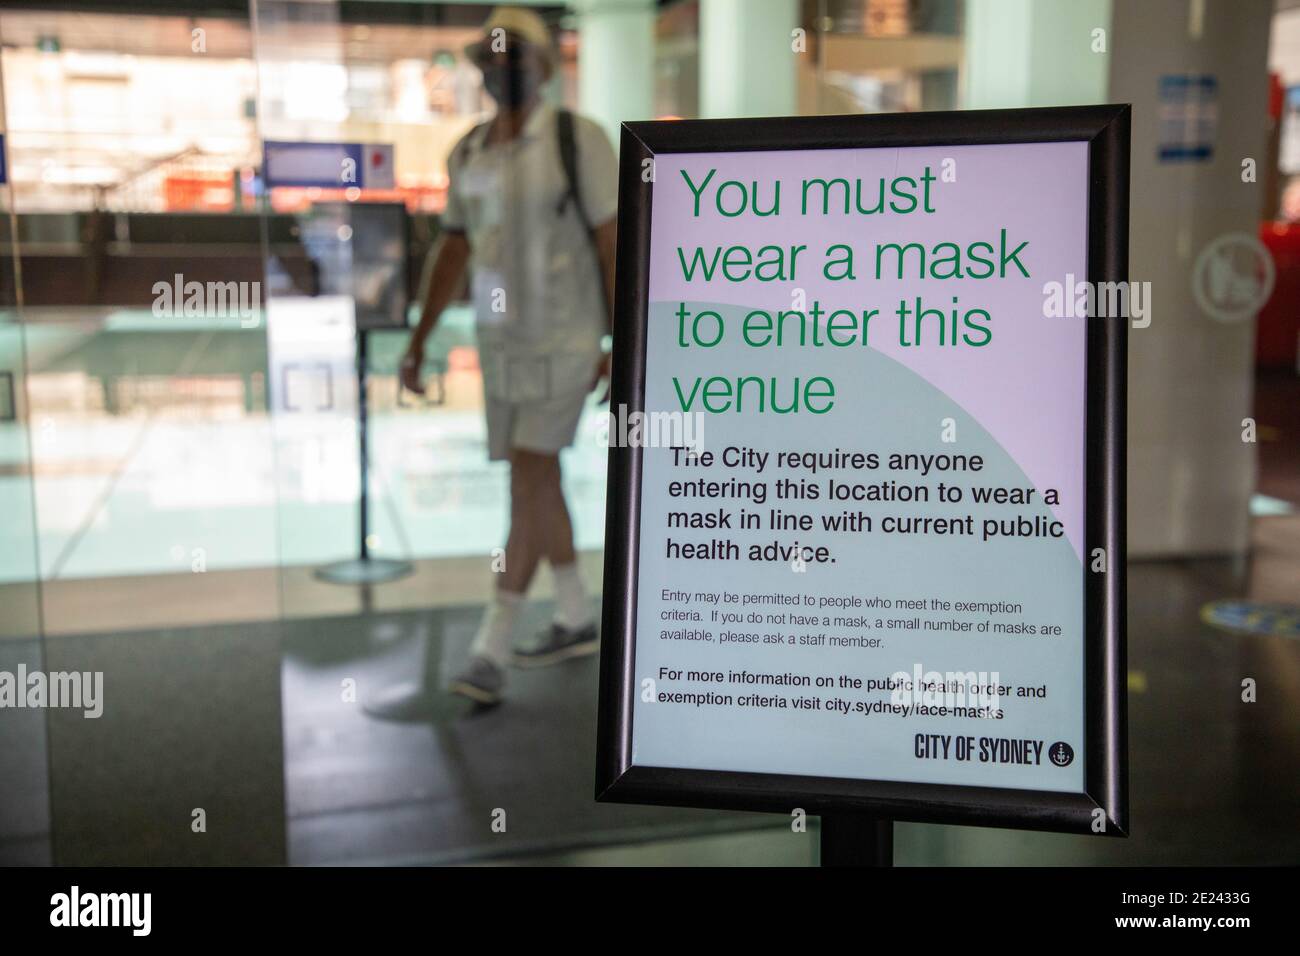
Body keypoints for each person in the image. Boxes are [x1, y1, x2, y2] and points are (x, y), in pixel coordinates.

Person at [400, 6, 618, 706]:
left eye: (515, 56)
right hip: (501, 349)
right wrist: (418, 337)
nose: (501, 69)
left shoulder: (574, 140)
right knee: (537, 474)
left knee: (527, 476)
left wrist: (622, 341)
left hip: (567, 341)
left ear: (546, 67)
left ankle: (491, 646)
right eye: (491, 57)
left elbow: (614, 244)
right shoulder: (468, 152)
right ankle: (578, 614)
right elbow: (455, 248)